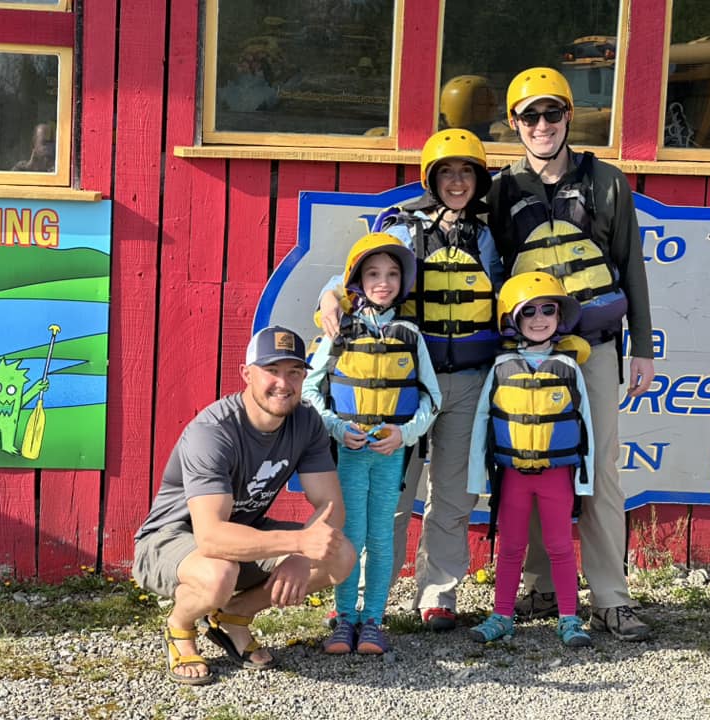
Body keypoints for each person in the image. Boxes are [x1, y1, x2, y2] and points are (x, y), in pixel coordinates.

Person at [486, 67, 655, 641]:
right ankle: (537, 584)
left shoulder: (607, 182)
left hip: (599, 345)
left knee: (601, 467)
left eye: (551, 113)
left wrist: (644, 348)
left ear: (567, 118)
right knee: (530, 456)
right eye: (528, 116)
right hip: (528, 348)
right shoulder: (501, 188)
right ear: (514, 123)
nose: (541, 125)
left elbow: (632, 266)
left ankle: (610, 595)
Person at [317, 129, 504, 632]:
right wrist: (329, 296)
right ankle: (363, 593)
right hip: (405, 380)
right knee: (390, 491)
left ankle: (437, 593)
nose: (458, 182)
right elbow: (359, 274)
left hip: (466, 379)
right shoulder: (403, 230)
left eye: (467, 172)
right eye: (448, 172)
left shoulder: (486, 236)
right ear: (432, 178)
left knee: (452, 491)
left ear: (479, 179)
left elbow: (507, 299)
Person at [132, 325, 356, 685]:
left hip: (242, 537)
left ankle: (233, 616)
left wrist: (302, 558)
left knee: (339, 555)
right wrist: (299, 543)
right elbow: (211, 538)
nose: (284, 383)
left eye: (294, 372)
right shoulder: (213, 431)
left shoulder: (306, 422)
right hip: (170, 538)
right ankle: (181, 625)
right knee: (219, 573)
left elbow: (331, 506)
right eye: (272, 371)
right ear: (247, 374)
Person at [304, 233, 442, 654]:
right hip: (347, 450)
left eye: (392, 274)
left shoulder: (411, 334)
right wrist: (334, 427)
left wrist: (407, 433)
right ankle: (344, 619)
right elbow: (311, 389)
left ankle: (374, 621)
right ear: (357, 281)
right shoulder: (339, 328)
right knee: (348, 535)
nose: (383, 282)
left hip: (390, 452)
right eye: (373, 273)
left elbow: (432, 398)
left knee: (381, 537)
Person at [467, 271, 594, 647]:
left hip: (557, 475)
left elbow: (585, 423)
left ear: (559, 317)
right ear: (514, 320)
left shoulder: (569, 369)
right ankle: (501, 615)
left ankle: (569, 618)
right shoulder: (501, 367)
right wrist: (478, 479)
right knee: (510, 547)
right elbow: (481, 425)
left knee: (559, 545)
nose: (539, 319)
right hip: (513, 476)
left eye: (548, 310)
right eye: (529, 312)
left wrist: (583, 482)